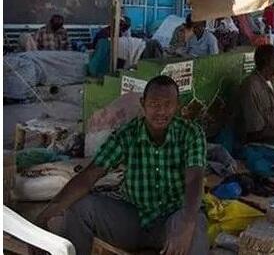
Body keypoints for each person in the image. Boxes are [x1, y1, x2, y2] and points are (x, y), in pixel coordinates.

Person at [35, 76, 208, 255]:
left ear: (177, 106)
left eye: (168, 104)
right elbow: (90, 175)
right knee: (80, 208)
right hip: (133, 219)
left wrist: (186, 223)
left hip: (173, 218)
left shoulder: (191, 133)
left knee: (195, 226)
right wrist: (49, 211)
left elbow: (194, 179)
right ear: (143, 103)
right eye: (154, 104)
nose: (161, 111)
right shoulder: (127, 134)